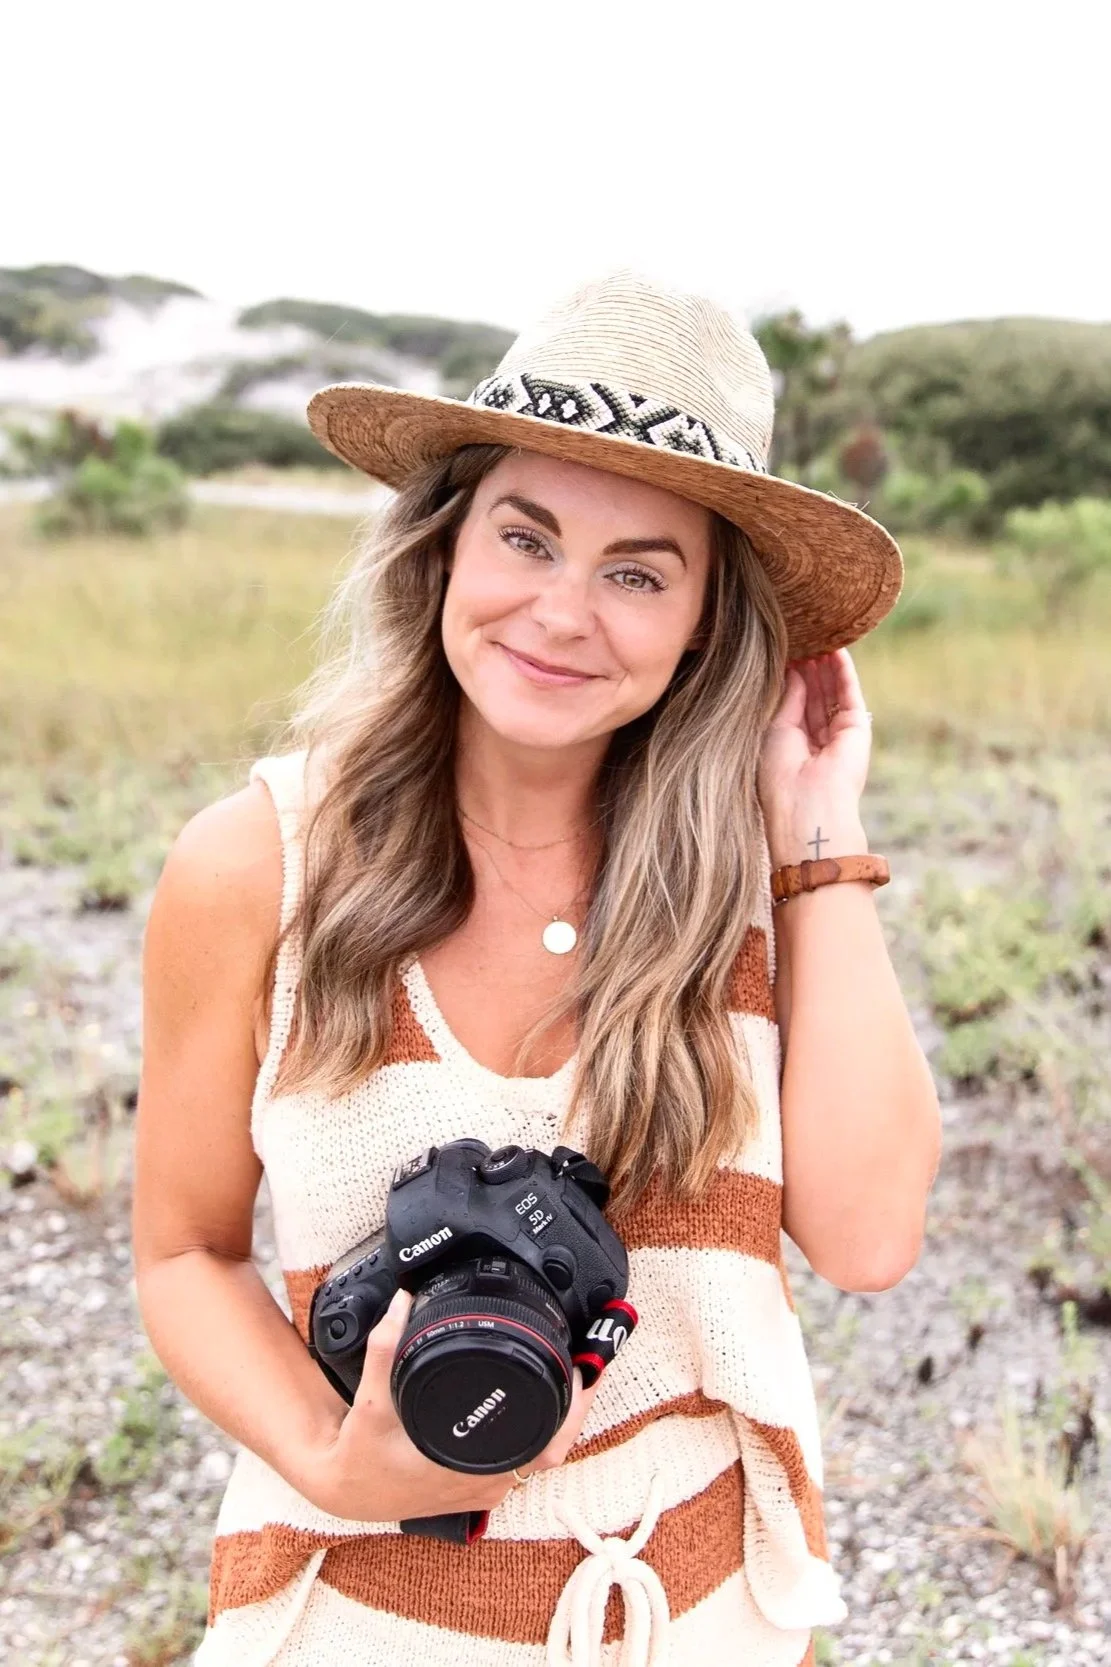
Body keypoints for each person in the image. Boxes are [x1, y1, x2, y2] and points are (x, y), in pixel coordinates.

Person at [134, 270, 941, 1667]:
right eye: (527, 536)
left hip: (709, 1623)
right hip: (354, 1622)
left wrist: (818, 830)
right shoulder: (256, 862)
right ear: (444, 546)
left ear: (704, 622)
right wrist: (334, 1462)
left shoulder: (753, 887)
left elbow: (869, 1240)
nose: (565, 612)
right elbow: (182, 1251)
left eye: (638, 569)